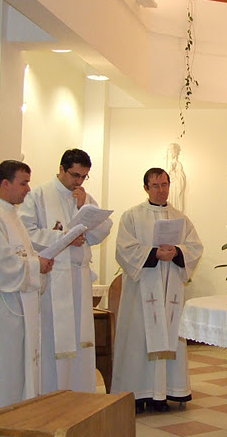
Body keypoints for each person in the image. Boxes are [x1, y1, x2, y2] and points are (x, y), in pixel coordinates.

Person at [19, 149, 113, 393]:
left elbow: (101, 231)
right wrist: (65, 237)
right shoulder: (39, 195)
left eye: (84, 176)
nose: (79, 181)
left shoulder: (85, 197)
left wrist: (83, 209)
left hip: (79, 278)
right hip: (53, 279)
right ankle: (53, 394)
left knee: (81, 340)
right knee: (54, 341)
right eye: (74, 175)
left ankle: (80, 394)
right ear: (61, 169)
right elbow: (27, 233)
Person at [112, 168, 203, 413]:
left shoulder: (180, 218)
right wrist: (154, 254)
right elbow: (124, 249)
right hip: (141, 292)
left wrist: (177, 252)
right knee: (138, 340)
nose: (161, 190)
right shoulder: (132, 216)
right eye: (155, 185)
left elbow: (195, 247)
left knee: (170, 334)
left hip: (170, 289)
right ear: (146, 188)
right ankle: (138, 393)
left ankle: (167, 392)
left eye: (164, 185)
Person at [0, 160, 53, 411]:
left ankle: (21, 418)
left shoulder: (12, 216)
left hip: (20, 307)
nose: (28, 189)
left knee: (20, 368)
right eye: (23, 183)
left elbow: (23, 257)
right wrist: (36, 265)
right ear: (5, 183)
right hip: (2, 310)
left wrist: (39, 263)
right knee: (6, 372)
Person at [166, 142, 186, 212]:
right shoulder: (167, 164)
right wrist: (170, 170)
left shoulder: (178, 164)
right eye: (170, 152)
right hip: (169, 187)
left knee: (175, 204)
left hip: (175, 187)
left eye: (172, 152)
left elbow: (181, 178)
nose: (171, 153)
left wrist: (175, 174)